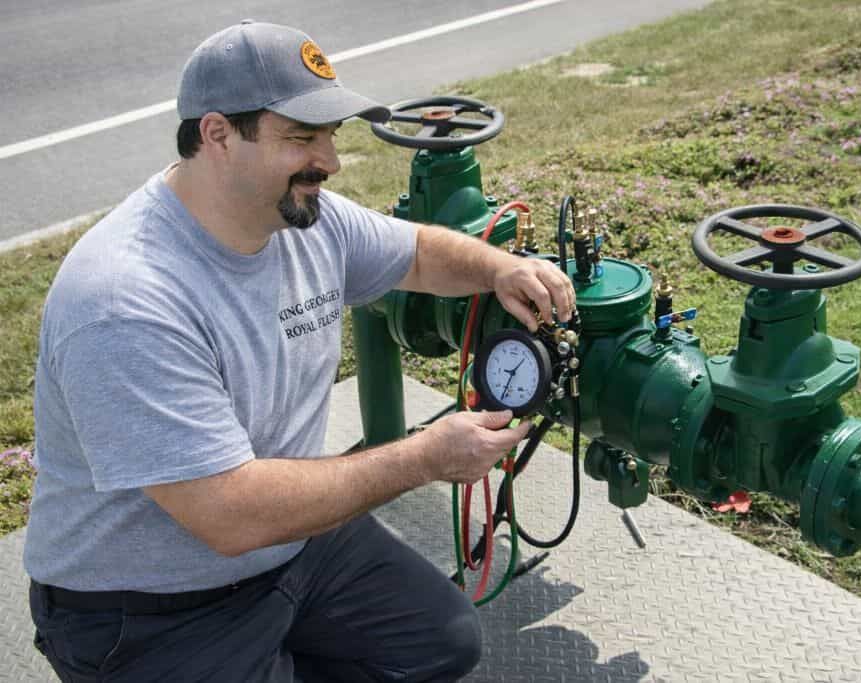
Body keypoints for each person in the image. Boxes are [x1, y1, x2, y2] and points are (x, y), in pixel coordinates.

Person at [23, 21, 575, 682]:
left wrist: (499, 269)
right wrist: (426, 457)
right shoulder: (125, 299)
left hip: (288, 545)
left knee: (443, 641)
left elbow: (417, 252)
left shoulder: (304, 217)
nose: (330, 161)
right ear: (218, 135)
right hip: (147, 609)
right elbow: (228, 515)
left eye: (331, 135)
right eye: (302, 137)